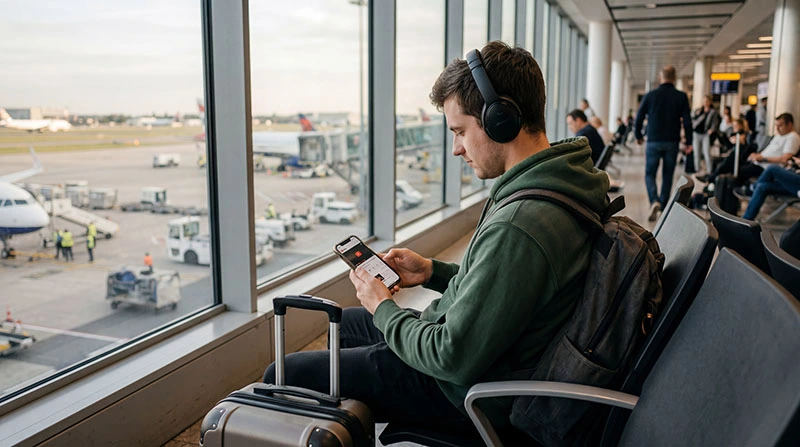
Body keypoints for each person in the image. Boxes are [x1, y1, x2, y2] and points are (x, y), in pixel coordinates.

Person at [262, 41, 610, 431]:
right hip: (485, 354)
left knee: (284, 372)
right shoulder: (556, 185)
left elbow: (450, 357)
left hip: (462, 390)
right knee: (349, 326)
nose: (457, 149)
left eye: (460, 131)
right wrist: (431, 272)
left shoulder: (522, 222)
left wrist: (385, 308)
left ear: (500, 120)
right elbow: (507, 286)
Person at [634, 65, 693, 221]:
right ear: (674, 78)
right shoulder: (681, 96)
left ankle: (654, 200)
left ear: (660, 78)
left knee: (649, 173)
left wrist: (638, 135)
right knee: (668, 174)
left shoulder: (651, 95)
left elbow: (639, 117)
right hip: (672, 141)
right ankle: (663, 205)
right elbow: (687, 121)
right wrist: (689, 141)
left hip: (653, 140)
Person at [698, 114, 799, 185]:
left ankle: (712, 180)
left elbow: (785, 159)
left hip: (765, 167)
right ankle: (712, 180)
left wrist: (763, 158)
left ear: (789, 124)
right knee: (732, 159)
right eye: (776, 125)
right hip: (758, 161)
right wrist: (757, 155)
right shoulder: (780, 135)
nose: (777, 128)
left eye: (780, 125)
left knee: (735, 168)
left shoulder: (793, 137)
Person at [691, 94, 720, 175]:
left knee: (707, 152)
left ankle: (709, 171)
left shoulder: (713, 112)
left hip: (705, 134)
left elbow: (715, 123)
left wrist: (712, 129)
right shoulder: (699, 110)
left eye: (707, 101)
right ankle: (697, 170)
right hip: (696, 133)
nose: (706, 103)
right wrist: (696, 114)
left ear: (710, 102)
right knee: (697, 152)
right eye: (704, 101)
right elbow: (693, 119)